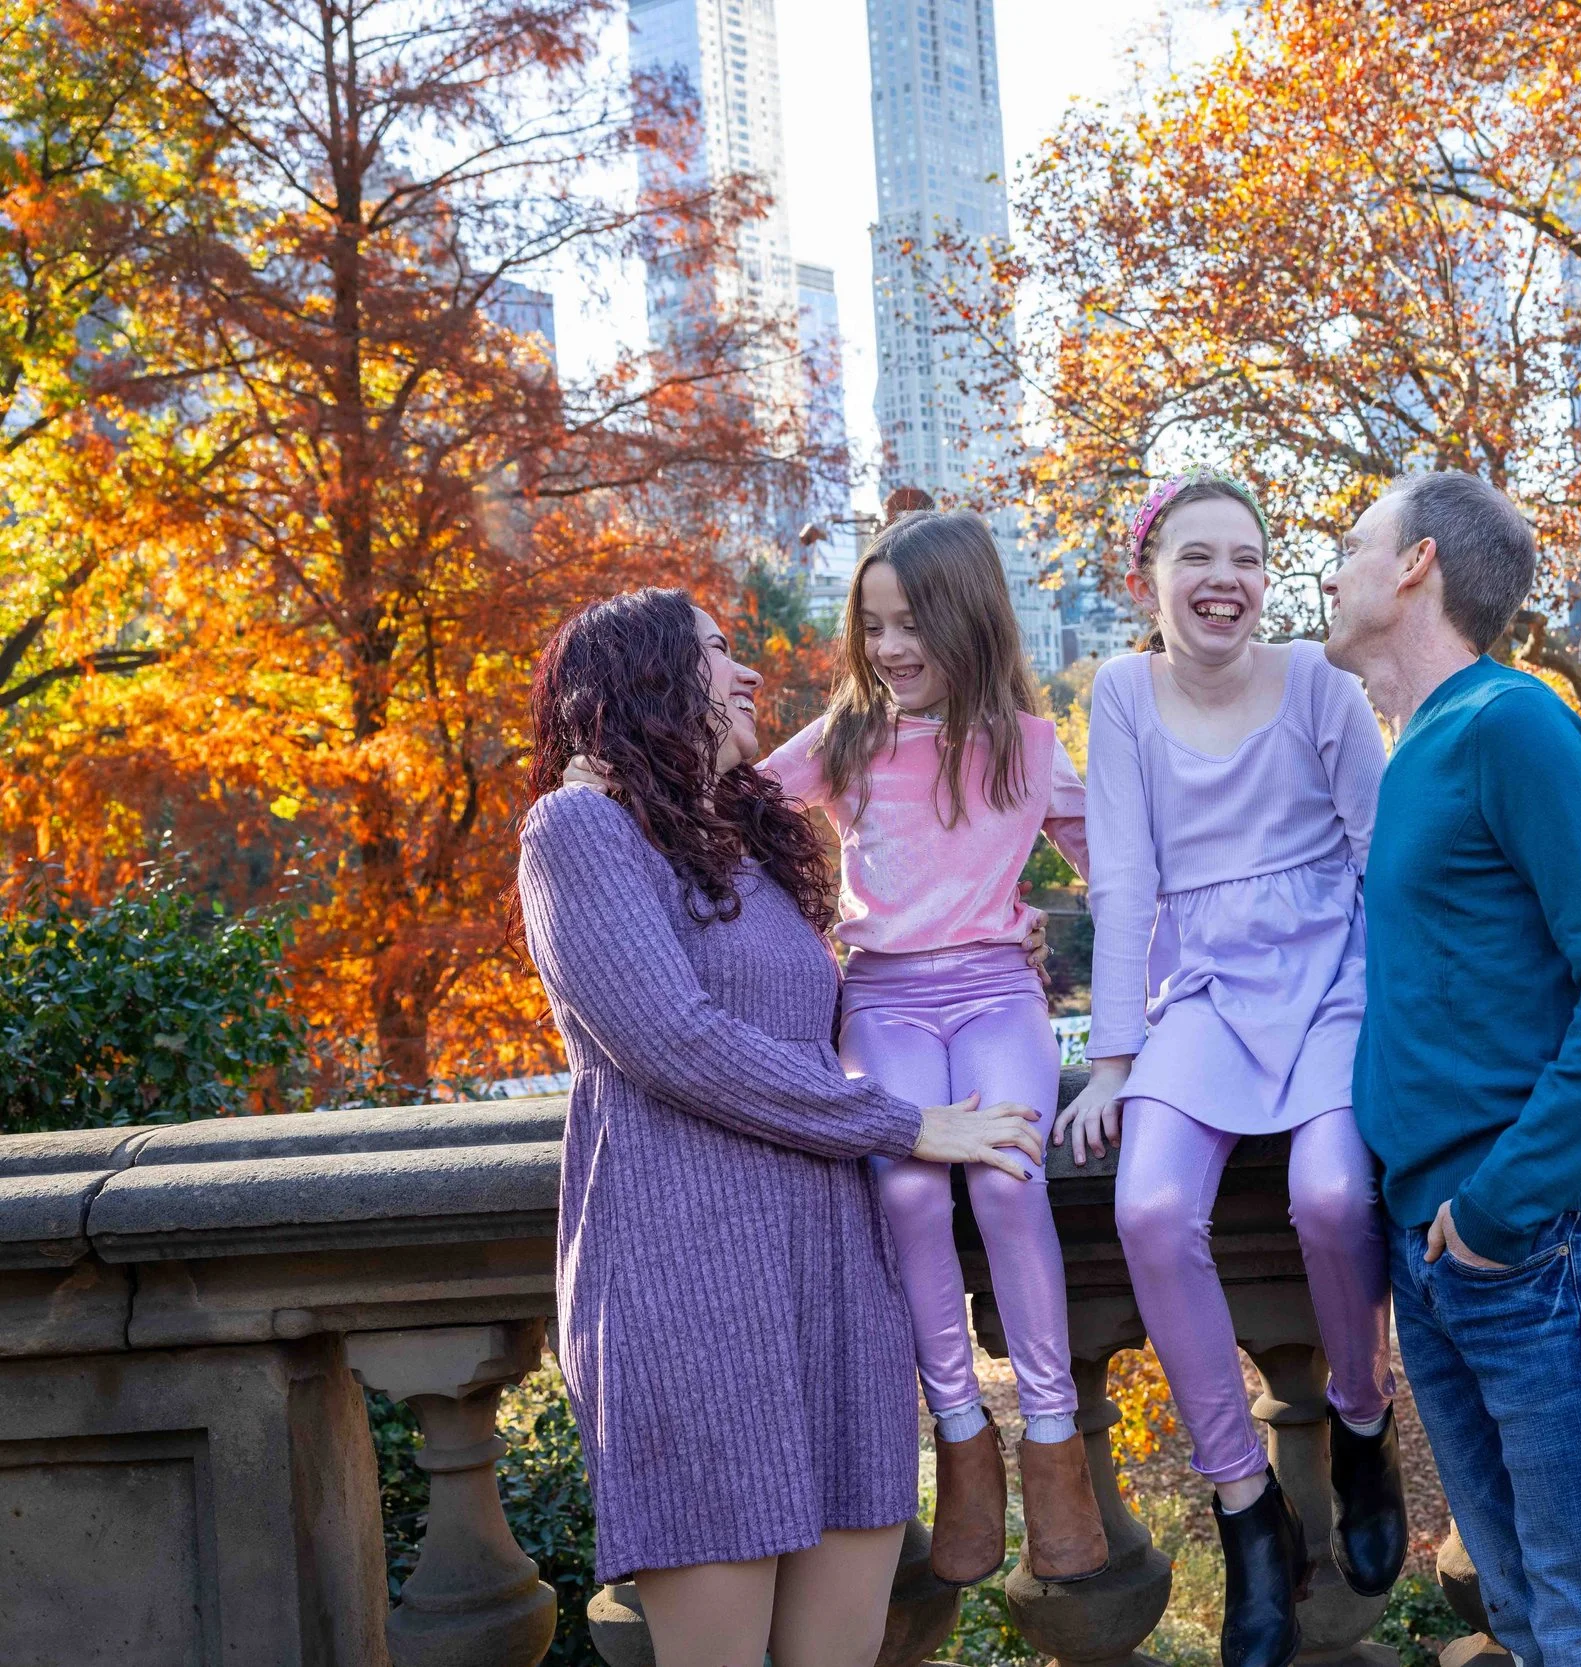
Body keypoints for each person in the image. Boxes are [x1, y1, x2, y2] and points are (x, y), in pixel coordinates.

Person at [513, 588, 1043, 1667]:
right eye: (716, 653)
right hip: (691, 1290)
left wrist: (986, 956)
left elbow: (813, 1020)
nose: (749, 673)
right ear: (649, 678)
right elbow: (673, 1038)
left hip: (833, 1284)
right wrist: (907, 1123)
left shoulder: (739, 840)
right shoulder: (577, 828)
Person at [1322, 474, 1581, 1667]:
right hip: (1436, 1250)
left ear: (1417, 564)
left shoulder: (1510, 721)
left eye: (1353, 542)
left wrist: (1495, 1208)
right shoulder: (1416, 752)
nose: (1332, 563)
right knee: (1532, 1618)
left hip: (1537, 1243)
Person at [1053, 473, 1405, 1667]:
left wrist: (1409, 1019)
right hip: (1197, 982)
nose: (1225, 579)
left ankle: (1361, 1416)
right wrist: (1111, 1062)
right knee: (1149, 1205)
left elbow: (1382, 856)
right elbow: (1123, 885)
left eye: (1247, 557)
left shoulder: (1320, 682)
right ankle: (1247, 1504)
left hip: (1330, 979)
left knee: (1330, 1195)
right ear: (1148, 578)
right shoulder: (1117, 693)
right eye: (1197, 556)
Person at [759, 510, 1108, 1587]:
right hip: (884, 1001)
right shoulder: (846, 739)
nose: (890, 647)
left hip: (998, 994)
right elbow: (742, 814)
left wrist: (1156, 1007)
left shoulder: (1027, 747)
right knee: (904, 1188)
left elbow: (1127, 874)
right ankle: (961, 1438)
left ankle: (1052, 1445)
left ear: (966, 618)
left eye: (910, 622)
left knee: (1008, 1177)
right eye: (871, 625)